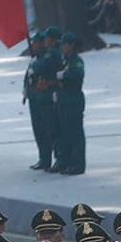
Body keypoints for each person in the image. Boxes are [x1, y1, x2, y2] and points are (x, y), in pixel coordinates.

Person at [24, 26, 61, 172]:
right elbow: (30, 74)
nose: (34, 45)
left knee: (51, 129)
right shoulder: (38, 57)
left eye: (37, 42)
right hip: (35, 96)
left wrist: (35, 65)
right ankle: (44, 158)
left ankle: (58, 158)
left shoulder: (51, 54)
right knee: (39, 130)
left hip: (46, 96)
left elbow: (42, 68)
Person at [51, 30, 86, 175]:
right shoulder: (64, 60)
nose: (62, 47)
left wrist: (63, 75)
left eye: (64, 44)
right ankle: (65, 161)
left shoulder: (76, 61)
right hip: (63, 100)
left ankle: (77, 164)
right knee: (63, 132)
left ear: (71, 45)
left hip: (73, 100)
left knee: (75, 133)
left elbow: (77, 74)